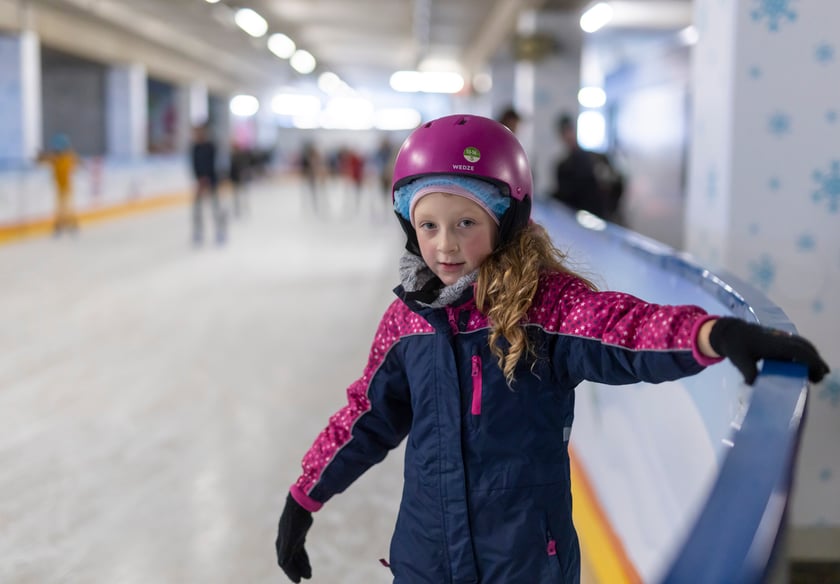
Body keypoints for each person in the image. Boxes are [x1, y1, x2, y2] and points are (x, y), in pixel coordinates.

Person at [275, 114, 829, 584]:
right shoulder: (407, 322)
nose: (445, 244)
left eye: (466, 222)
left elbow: (624, 328)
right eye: (428, 225)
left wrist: (714, 333)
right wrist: (305, 498)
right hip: (426, 555)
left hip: (523, 559)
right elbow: (364, 417)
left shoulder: (544, 308)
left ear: (505, 219)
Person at [552, 113, 610, 218]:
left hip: (594, 216)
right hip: (577, 217)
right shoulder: (563, 166)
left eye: (569, 131)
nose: (568, 136)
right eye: (564, 132)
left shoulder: (594, 158)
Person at [38, 133, 81, 237]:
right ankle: (61, 226)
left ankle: (71, 225)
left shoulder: (68, 157)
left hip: (67, 187)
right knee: (61, 208)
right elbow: (42, 160)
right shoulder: (55, 158)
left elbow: (77, 163)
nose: (57, 152)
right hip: (59, 188)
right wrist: (40, 156)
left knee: (67, 208)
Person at [190, 124, 226, 245]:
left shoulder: (211, 146)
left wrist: (209, 179)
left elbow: (214, 164)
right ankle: (198, 232)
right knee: (197, 209)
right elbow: (194, 165)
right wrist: (199, 179)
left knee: (216, 208)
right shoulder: (194, 147)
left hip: (212, 181)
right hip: (200, 182)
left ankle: (220, 231)